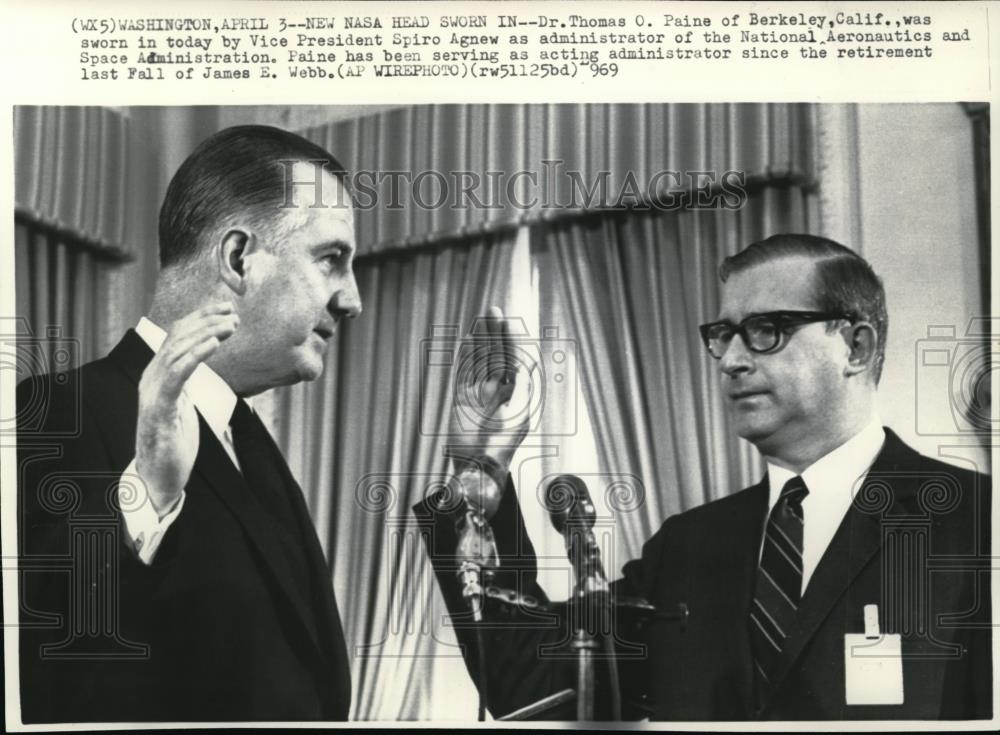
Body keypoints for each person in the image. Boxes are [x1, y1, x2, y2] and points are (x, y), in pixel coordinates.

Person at [418, 234, 992, 720]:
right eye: (724, 335)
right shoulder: (688, 546)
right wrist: (476, 477)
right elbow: (532, 684)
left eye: (766, 329)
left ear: (857, 346)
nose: (731, 360)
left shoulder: (977, 521)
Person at [17, 125, 362, 722]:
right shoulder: (54, 412)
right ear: (238, 259)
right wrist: (146, 495)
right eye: (332, 259)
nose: (352, 298)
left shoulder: (250, 444)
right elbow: (38, 666)